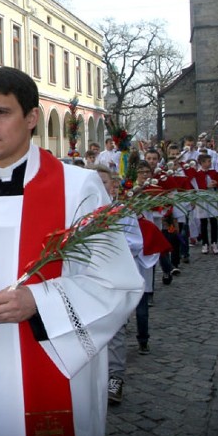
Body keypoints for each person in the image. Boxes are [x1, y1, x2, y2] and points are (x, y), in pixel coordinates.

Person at [0, 67, 143, 436]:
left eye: (1, 112)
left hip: (50, 359)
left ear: (31, 117)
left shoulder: (78, 188)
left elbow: (114, 283)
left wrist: (38, 301)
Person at [91, 164, 151, 404]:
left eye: (103, 182)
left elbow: (136, 243)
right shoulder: (77, 209)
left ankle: (115, 378)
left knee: (115, 330)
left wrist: (111, 243)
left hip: (114, 280)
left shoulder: (121, 211)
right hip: (88, 282)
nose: (98, 186)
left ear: (112, 185)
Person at [189, 153, 218, 254]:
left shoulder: (213, 172)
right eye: (208, 161)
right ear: (202, 163)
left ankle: (214, 242)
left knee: (214, 221)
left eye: (210, 161)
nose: (210, 163)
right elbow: (195, 187)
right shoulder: (197, 174)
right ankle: (205, 243)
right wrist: (206, 186)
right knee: (203, 222)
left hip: (211, 198)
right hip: (202, 199)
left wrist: (217, 186)